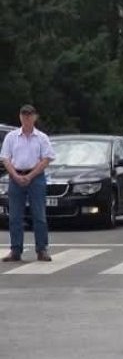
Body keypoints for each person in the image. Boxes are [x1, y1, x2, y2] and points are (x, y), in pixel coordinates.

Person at [1, 105, 56, 263]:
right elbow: (5, 158)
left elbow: (46, 159)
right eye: (24, 115)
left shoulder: (41, 138)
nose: (26, 118)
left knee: (39, 214)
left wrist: (31, 175)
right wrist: (15, 175)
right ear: (20, 117)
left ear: (35, 117)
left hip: (36, 176)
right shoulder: (11, 137)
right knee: (15, 216)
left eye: (29, 115)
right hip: (16, 175)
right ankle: (15, 250)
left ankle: (42, 249)